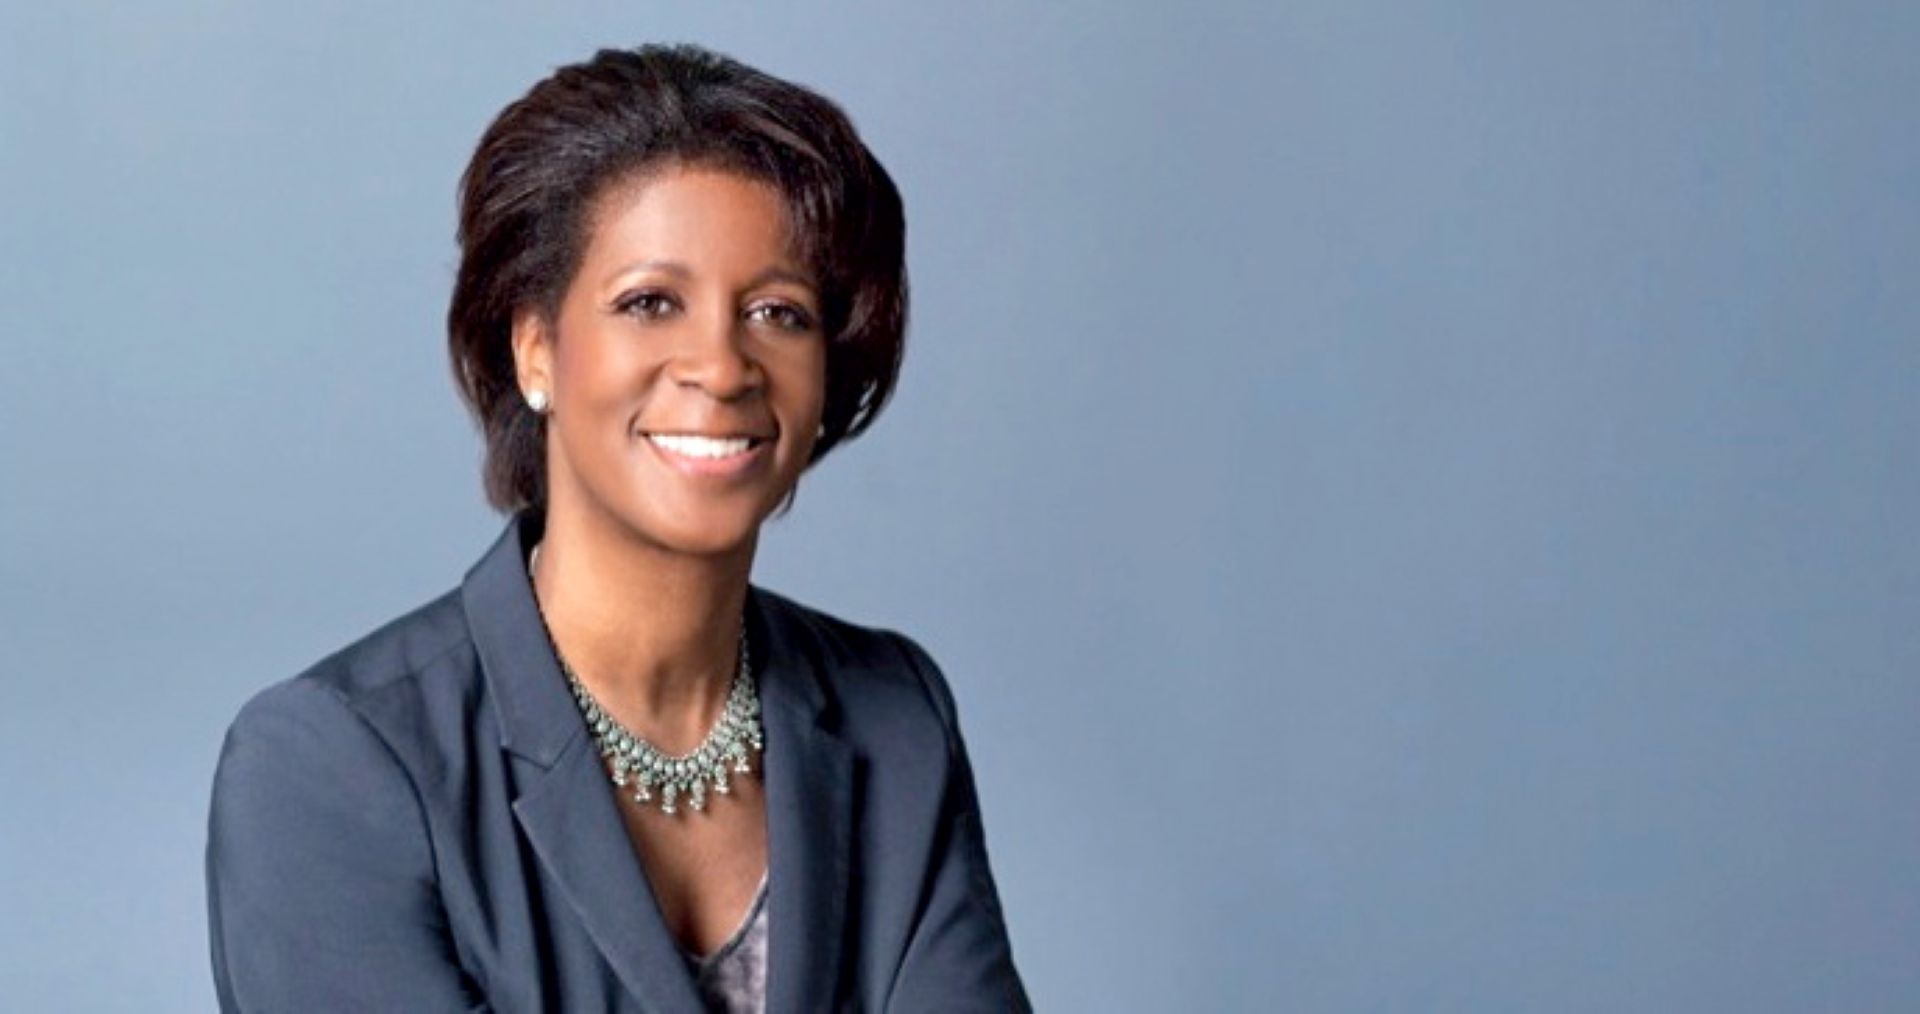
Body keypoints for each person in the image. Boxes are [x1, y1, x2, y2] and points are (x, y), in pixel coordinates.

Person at [204, 42, 1031, 1013]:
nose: (721, 366)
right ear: (535, 349)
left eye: (778, 312)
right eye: (650, 303)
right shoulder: (329, 765)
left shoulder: (895, 716)